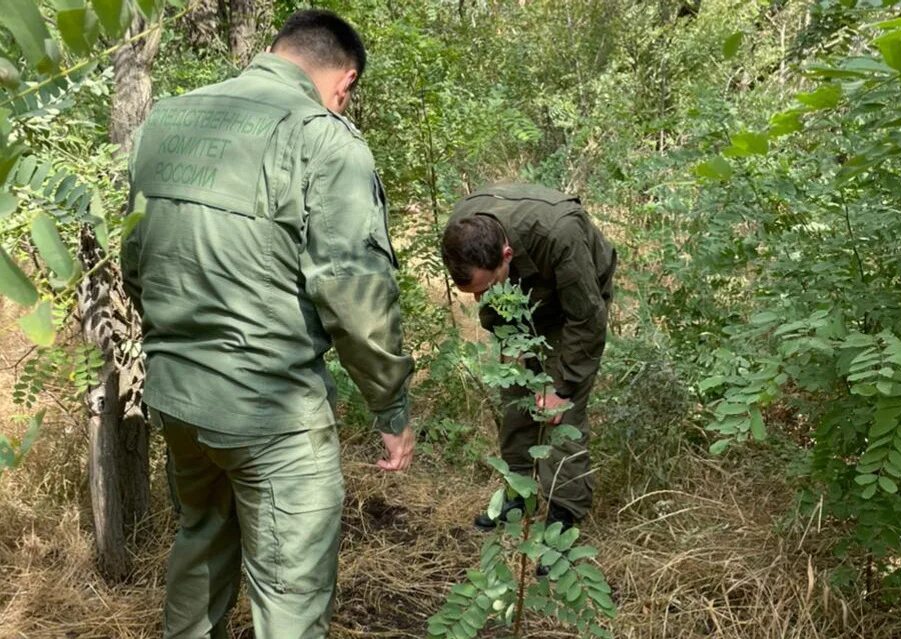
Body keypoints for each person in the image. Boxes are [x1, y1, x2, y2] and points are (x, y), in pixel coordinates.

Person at [121, 10, 414, 638]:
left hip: (178, 399)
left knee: (199, 549)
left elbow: (136, 260)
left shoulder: (166, 121)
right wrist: (391, 410)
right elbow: (354, 294)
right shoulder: (324, 138)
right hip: (271, 415)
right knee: (290, 594)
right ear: (345, 81)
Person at [441, 183, 615, 534]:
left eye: (486, 289)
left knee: (559, 416)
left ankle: (564, 516)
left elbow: (587, 319)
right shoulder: (459, 232)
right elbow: (490, 297)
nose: (479, 301)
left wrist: (562, 387)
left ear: (506, 254)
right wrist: (508, 333)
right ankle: (518, 494)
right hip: (519, 302)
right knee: (516, 401)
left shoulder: (559, 233)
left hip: (575, 301)